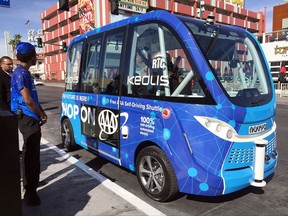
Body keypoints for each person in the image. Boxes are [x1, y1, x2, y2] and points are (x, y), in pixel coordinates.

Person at [11, 42, 47, 206]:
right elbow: (27, 99)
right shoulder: (20, 74)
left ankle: (32, 184)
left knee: (33, 154)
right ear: (31, 56)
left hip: (31, 116)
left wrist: (41, 111)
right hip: (27, 118)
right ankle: (30, 192)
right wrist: (39, 114)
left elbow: (33, 97)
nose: (36, 57)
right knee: (31, 156)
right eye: (35, 54)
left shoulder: (23, 72)